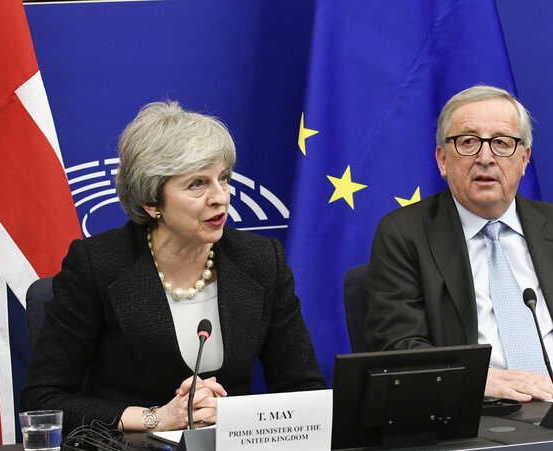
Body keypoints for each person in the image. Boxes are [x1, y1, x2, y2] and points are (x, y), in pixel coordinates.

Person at [21, 101, 326, 433]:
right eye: (197, 184)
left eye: (222, 178)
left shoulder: (260, 259)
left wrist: (235, 417)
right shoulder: (98, 264)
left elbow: (303, 390)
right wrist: (158, 418)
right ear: (151, 201)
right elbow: (43, 401)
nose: (220, 197)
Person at [364, 85, 553, 403]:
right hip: (474, 417)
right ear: (442, 160)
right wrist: (474, 377)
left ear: (524, 159)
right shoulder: (404, 235)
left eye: (502, 143)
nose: (485, 158)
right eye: (468, 142)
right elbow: (397, 347)